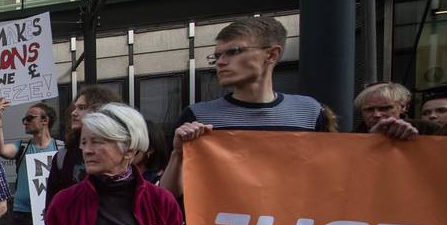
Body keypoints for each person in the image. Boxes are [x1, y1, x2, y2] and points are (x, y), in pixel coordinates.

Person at [161, 17, 418, 197]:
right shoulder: (199, 115)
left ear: (272, 55)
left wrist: (378, 145)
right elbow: (168, 195)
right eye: (217, 56)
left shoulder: (309, 112)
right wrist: (178, 154)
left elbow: (335, 177)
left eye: (233, 52)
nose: (221, 62)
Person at [44, 103, 185, 225]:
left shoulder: (161, 202)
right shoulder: (64, 203)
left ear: (129, 149)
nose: (87, 150)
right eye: (84, 142)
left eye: (96, 142)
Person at [42, 86, 121, 209]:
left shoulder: (120, 151)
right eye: (74, 108)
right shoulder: (63, 156)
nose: (74, 113)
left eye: (82, 108)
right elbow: (51, 207)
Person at [0, 98, 59, 225]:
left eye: (30, 118)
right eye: (24, 119)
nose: (25, 122)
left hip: (52, 211)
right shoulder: (22, 146)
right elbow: (0, 150)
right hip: (22, 213)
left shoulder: (60, 147)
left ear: (45, 120)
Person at [352, 82, 417, 134]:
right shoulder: (352, 137)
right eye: (369, 110)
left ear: (402, 107)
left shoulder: (423, 129)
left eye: (384, 108)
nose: (376, 115)